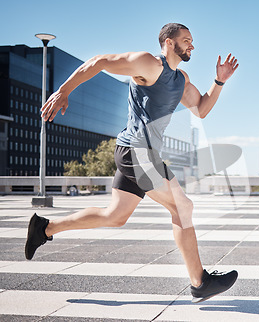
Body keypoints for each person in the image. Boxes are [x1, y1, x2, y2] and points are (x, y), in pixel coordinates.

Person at [25, 23, 239, 303]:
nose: (192, 46)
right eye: (186, 40)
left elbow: (201, 108)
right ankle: (199, 281)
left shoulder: (181, 79)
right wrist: (64, 90)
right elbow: (100, 61)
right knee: (183, 206)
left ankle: (45, 228)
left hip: (143, 155)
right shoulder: (149, 64)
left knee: (115, 216)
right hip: (137, 151)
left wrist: (219, 81)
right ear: (169, 43)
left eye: (192, 41)